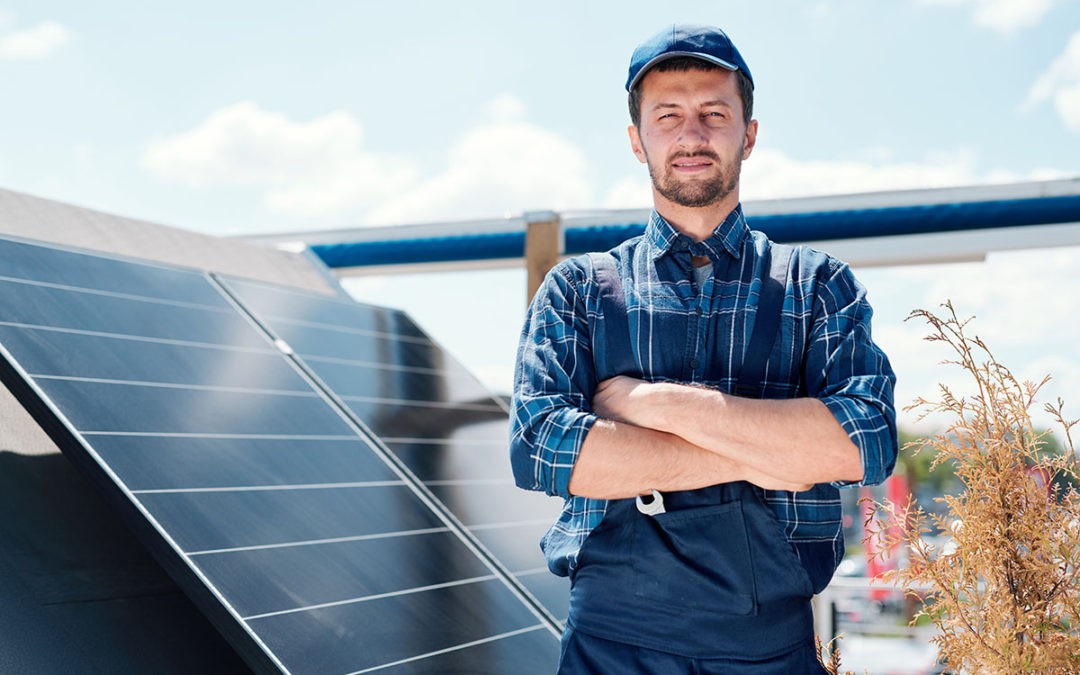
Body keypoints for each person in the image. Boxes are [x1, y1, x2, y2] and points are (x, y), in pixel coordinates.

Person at [510, 24, 897, 674]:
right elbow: (543, 450)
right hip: (610, 649)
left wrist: (650, 403)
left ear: (748, 133)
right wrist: (769, 454)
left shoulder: (815, 285)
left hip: (770, 650)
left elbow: (864, 442)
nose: (692, 134)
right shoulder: (577, 291)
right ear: (637, 139)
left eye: (714, 113)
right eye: (669, 116)